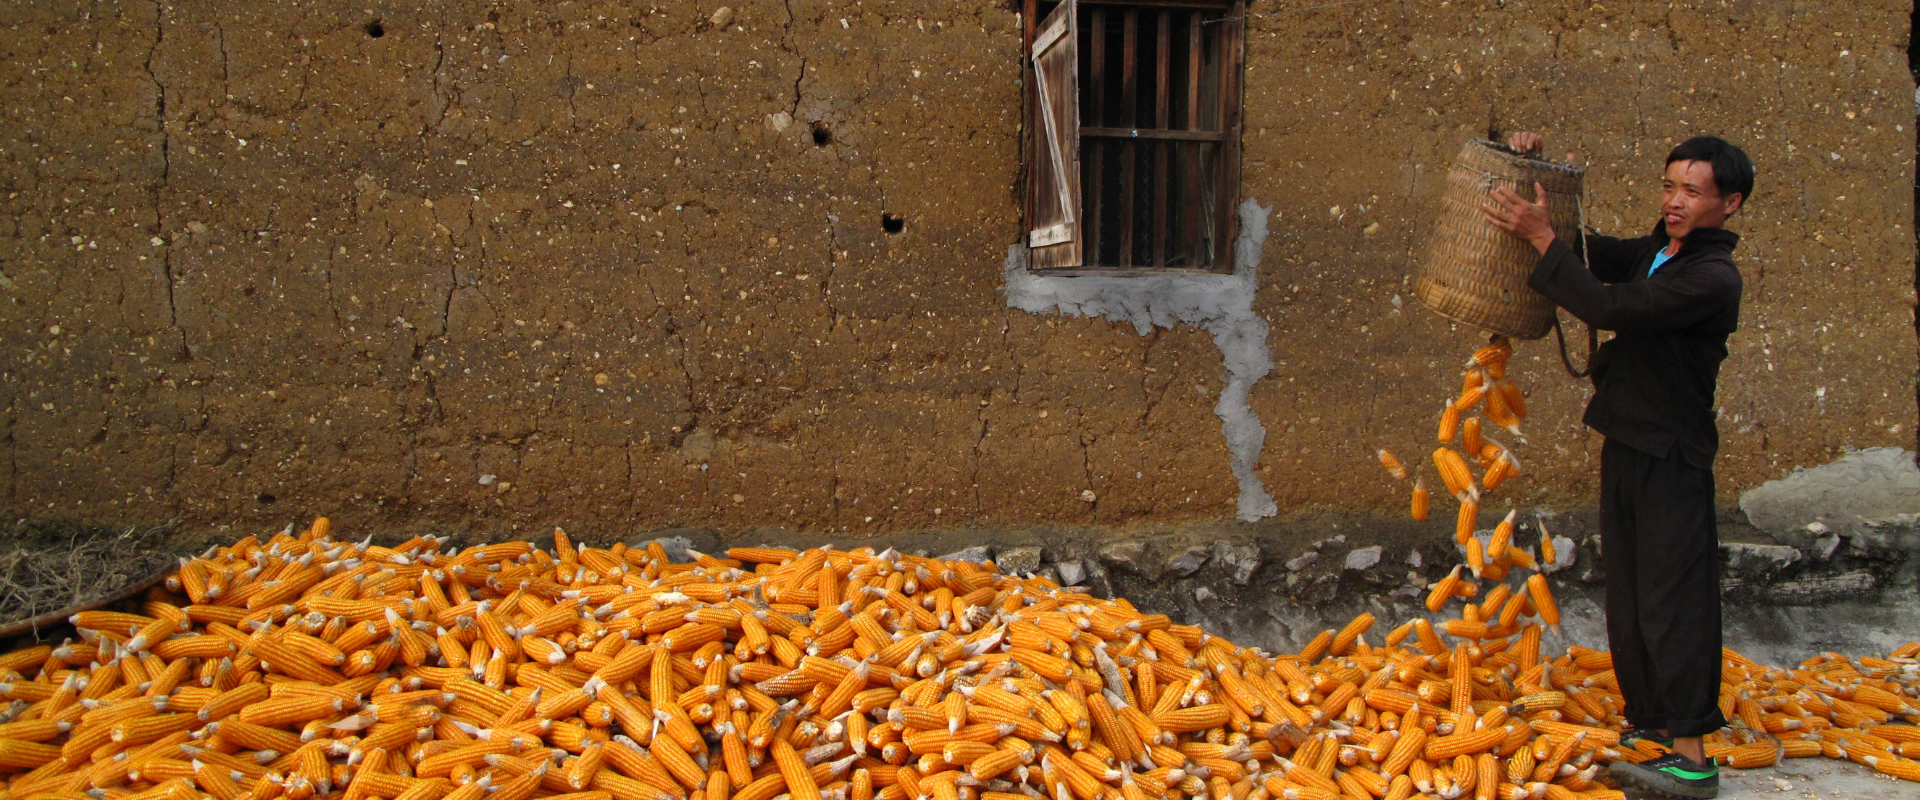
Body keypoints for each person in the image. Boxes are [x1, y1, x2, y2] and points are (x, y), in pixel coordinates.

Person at [1484, 131, 1752, 800]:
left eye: (1693, 191)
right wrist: (1527, 160)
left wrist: (1545, 240)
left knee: (1675, 598)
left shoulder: (1712, 278)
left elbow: (1607, 305)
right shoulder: (1657, 253)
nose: (1675, 202)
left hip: (1674, 453)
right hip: (1628, 440)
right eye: (1669, 187)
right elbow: (1581, 251)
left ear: (1731, 203)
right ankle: (1653, 726)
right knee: (1632, 595)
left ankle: (1692, 757)